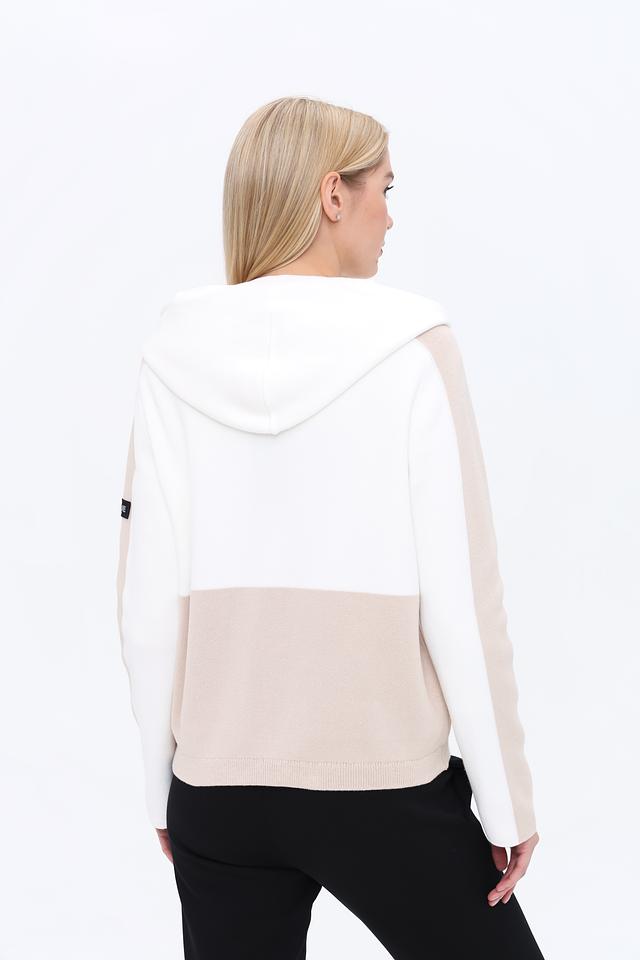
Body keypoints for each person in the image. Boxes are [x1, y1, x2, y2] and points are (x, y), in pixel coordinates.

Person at [116, 95, 546, 959]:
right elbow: (465, 600)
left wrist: (165, 786)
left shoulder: (173, 353)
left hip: (220, 795)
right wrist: (506, 805)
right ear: (332, 195)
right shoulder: (414, 345)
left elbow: (146, 605)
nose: (391, 214)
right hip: (382, 784)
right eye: (384, 188)